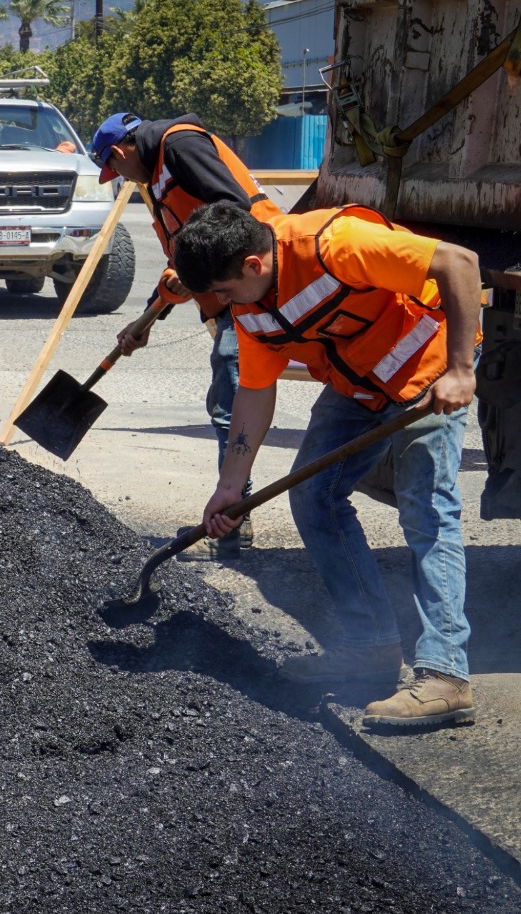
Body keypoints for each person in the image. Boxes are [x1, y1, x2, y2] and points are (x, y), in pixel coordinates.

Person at [173, 201, 481, 728]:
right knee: (314, 495)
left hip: (427, 368)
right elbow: (254, 389)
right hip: (360, 387)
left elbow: (460, 262)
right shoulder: (249, 307)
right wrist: (230, 485)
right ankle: (371, 647)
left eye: (223, 290)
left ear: (253, 265)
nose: (221, 304)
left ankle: (446, 675)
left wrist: (459, 370)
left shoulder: (334, 244)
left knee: (426, 508)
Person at [90, 111, 284, 555]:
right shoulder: (158, 179)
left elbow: (234, 211)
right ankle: (233, 513)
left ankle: (232, 519)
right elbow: (181, 260)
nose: (118, 177)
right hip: (228, 292)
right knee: (226, 398)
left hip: (253, 284)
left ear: (120, 153)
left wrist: (192, 273)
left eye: (113, 169)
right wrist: (146, 322)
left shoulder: (180, 147)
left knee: (231, 399)